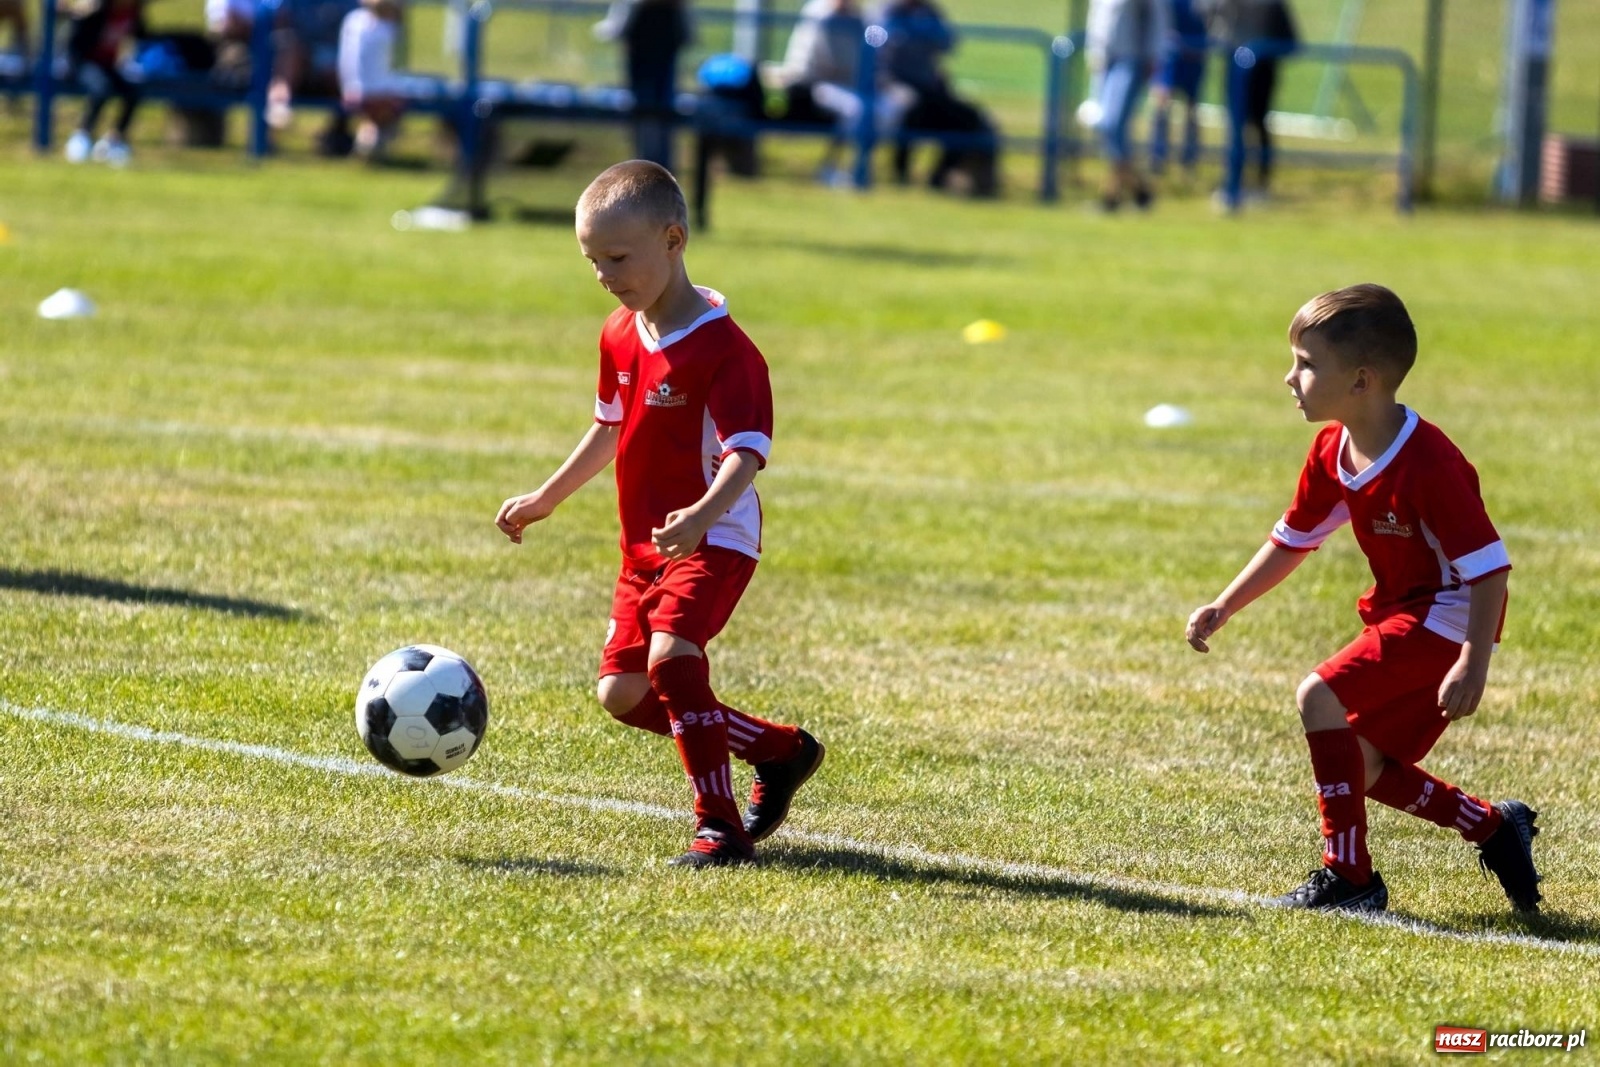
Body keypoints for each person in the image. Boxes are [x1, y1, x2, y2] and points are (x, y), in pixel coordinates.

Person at [495, 161, 826, 868]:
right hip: (644, 545)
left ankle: (720, 827)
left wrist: (702, 515)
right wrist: (546, 498)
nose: (604, 274)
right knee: (622, 693)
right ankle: (779, 749)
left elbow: (748, 455)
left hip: (716, 533)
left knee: (674, 660)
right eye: (592, 260)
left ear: (673, 240)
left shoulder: (725, 350)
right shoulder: (620, 333)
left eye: (617, 257)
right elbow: (608, 427)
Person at [1185, 284, 1541, 914]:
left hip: (1450, 618)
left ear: (1361, 381)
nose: (1289, 378)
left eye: (1306, 363)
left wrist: (1473, 662)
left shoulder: (1428, 462)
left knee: (1318, 695)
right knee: (1362, 763)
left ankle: (1350, 876)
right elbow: (1293, 539)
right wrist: (1226, 603)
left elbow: (1489, 571)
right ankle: (1492, 826)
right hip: (1402, 608)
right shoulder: (1332, 448)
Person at [773, 0, 913, 185]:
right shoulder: (821, 12)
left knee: (890, 107)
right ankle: (832, 167)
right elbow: (831, 63)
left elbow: (876, 48)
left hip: (850, 85)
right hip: (814, 83)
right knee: (856, 110)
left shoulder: (860, 15)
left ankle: (859, 166)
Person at [877, 0, 998, 197]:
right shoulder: (887, 11)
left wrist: (923, 28)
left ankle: (939, 177)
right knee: (910, 107)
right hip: (891, 86)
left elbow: (948, 42)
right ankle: (901, 175)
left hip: (928, 89)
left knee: (968, 118)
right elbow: (883, 47)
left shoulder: (930, 12)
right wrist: (920, 31)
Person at [1200, 0, 1295, 199]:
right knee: (1235, 124)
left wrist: (1262, 50)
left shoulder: (1272, 5)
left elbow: (1290, 41)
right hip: (1234, 68)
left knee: (1258, 122)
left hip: (1262, 71)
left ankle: (1260, 181)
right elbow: (1206, 15)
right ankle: (1234, 180)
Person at [1085, 0, 1169, 211]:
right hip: (1105, 59)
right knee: (1105, 125)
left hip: (1131, 59)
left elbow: (1158, 19)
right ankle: (1137, 188)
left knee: (1113, 124)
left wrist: (1153, 57)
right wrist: (1092, 51)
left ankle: (1113, 195)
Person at [593, 0, 691, 173]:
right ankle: (645, 171)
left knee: (659, 109)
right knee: (643, 108)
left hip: (662, 27)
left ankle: (657, 173)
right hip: (644, 28)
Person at [64, 0, 148, 167]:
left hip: (108, 65)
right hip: (83, 63)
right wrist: (78, 13)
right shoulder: (97, 11)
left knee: (132, 91)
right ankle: (82, 135)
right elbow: (73, 37)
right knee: (101, 88)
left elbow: (142, 36)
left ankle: (115, 140)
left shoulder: (133, 13)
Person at [338, 0, 405, 160]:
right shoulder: (389, 28)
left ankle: (371, 138)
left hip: (358, 92)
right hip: (376, 95)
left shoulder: (354, 20)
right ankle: (372, 138)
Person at [1148, 0, 1206, 179]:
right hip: (1169, 52)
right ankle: (1158, 157)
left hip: (1195, 49)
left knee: (1191, 108)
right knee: (1162, 103)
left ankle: (1189, 160)